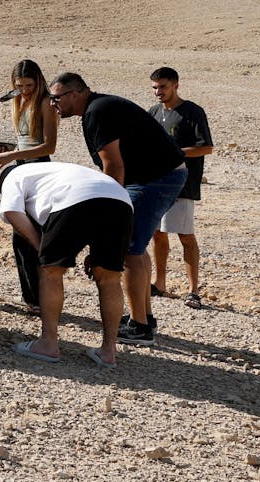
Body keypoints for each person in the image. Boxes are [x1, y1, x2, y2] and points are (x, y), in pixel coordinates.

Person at [49, 71, 187, 346]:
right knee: (136, 247)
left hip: (156, 180)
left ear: (74, 94)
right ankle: (144, 316)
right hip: (158, 176)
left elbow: (113, 166)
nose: (53, 105)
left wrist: (111, 215)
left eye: (56, 98)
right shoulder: (99, 107)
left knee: (127, 251)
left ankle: (140, 328)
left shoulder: (97, 112)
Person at [0, 162, 132, 367]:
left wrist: (41, 249)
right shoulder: (52, 171)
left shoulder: (12, 176)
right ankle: (108, 352)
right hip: (120, 199)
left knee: (50, 271)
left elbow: (12, 212)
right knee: (110, 277)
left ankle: (48, 344)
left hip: (73, 198)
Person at [0, 59, 62, 310]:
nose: (25, 89)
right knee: (20, 237)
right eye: (20, 85)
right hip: (23, 166)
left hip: (38, 168)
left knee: (29, 234)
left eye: (29, 85)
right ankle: (32, 298)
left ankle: (40, 300)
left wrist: (11, 156)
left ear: (38, 81)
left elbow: (48, 146)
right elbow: (25, 142)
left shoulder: (46, 103)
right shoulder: (18, 101)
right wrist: (10, 150)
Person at [148, 67, 215, 308]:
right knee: (157, 233)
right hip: (156, 183)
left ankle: (193, 291)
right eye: (155, 87)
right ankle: (159, 283)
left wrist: (173, 154)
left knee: (185, 235)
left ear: (176, 85)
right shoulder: (153, 113)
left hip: (183, 183)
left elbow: (205, 147)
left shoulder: (192, 112)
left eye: (163, 87)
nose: (158, 92)